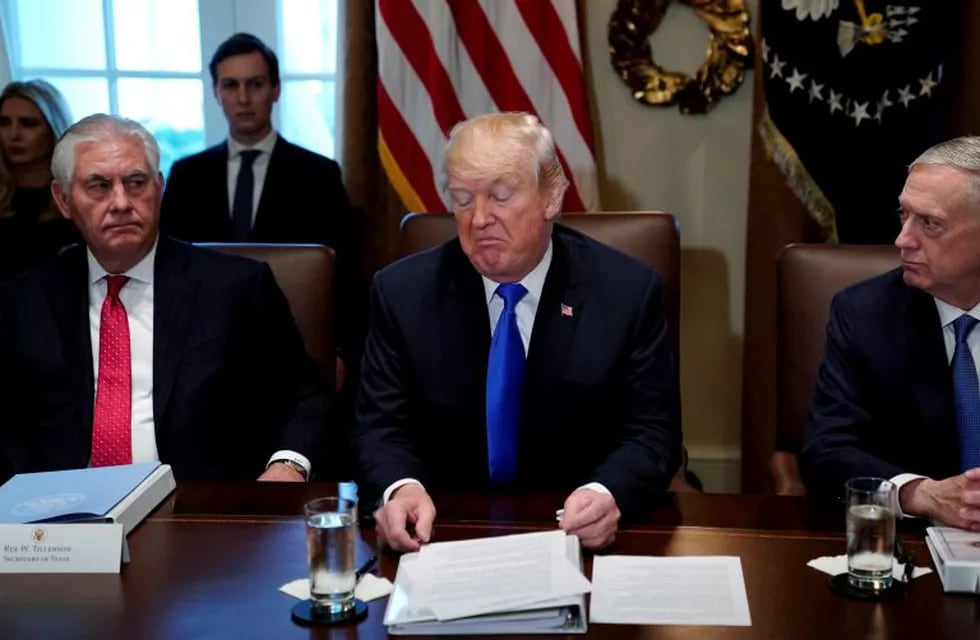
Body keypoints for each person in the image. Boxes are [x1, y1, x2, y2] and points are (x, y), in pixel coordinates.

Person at [355, 112, 681, 551]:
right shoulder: (401, 293)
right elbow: (380, 427)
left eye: (501, 196)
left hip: (575, 533)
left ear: (552, 197)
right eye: (463, 198)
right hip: (443, 533)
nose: (480, 218)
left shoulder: (627, 293)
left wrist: (607, 493)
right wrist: (401, 487)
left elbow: (652, 430)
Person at [0, 114, 328, 484]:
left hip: (200, 515)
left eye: (136, 182)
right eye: (99, 186)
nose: (121, 202)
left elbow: (306, 395)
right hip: (63, 521)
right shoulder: (23, 302)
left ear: (159, 187)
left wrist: (288, 465)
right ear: (63, 199)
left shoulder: (235, 288)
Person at [160, 33, 361, 393]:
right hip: (201, 348)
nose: (243, 98)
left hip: (297, 341)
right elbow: (168, 266)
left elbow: (346, 272)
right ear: (215, 93)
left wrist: (341, 351)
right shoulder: (187, 176)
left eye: (255, 84)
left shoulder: (318, 175)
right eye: (230, 85)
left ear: (276, 89)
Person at [802, 136, 980, 531]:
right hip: (912, 545)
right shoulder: (866, 314)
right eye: (904, 215)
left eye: (929, 223)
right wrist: (920, 494)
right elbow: (827, 452)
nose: (902, 240)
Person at [0, 79, 79, 282]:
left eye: (28, 124)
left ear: (54, 128)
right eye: (4, 123)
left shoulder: (78, 197)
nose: (14, 135)